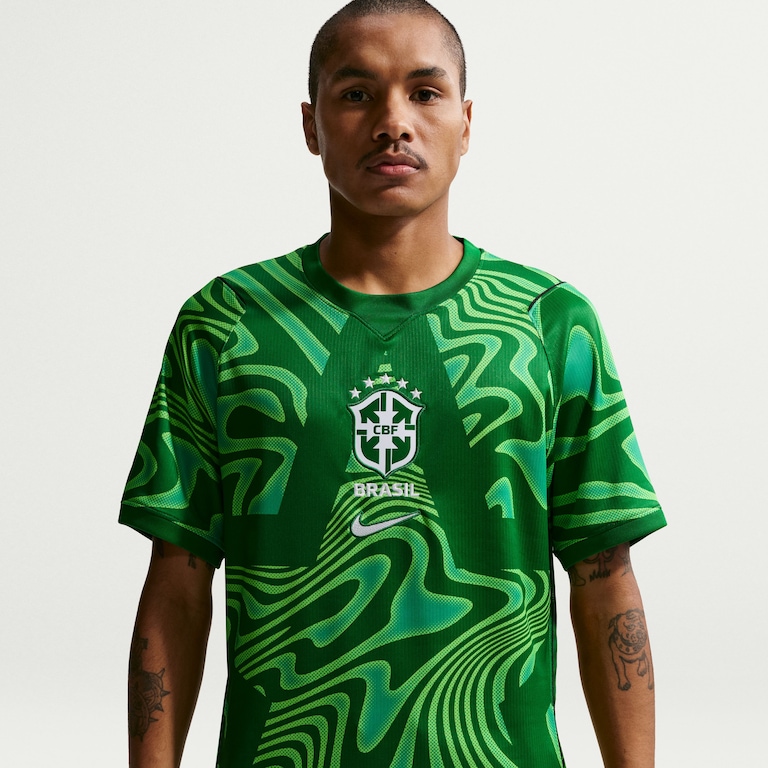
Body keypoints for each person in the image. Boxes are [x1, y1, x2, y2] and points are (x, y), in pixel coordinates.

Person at [121, 1, 666, 766]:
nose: (393, 122)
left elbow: (604, 577)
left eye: (425, 92)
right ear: (310, 125)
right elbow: (177, 581)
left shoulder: (550, 323)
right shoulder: (227, 323)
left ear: (466, 123)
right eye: (356, 94)